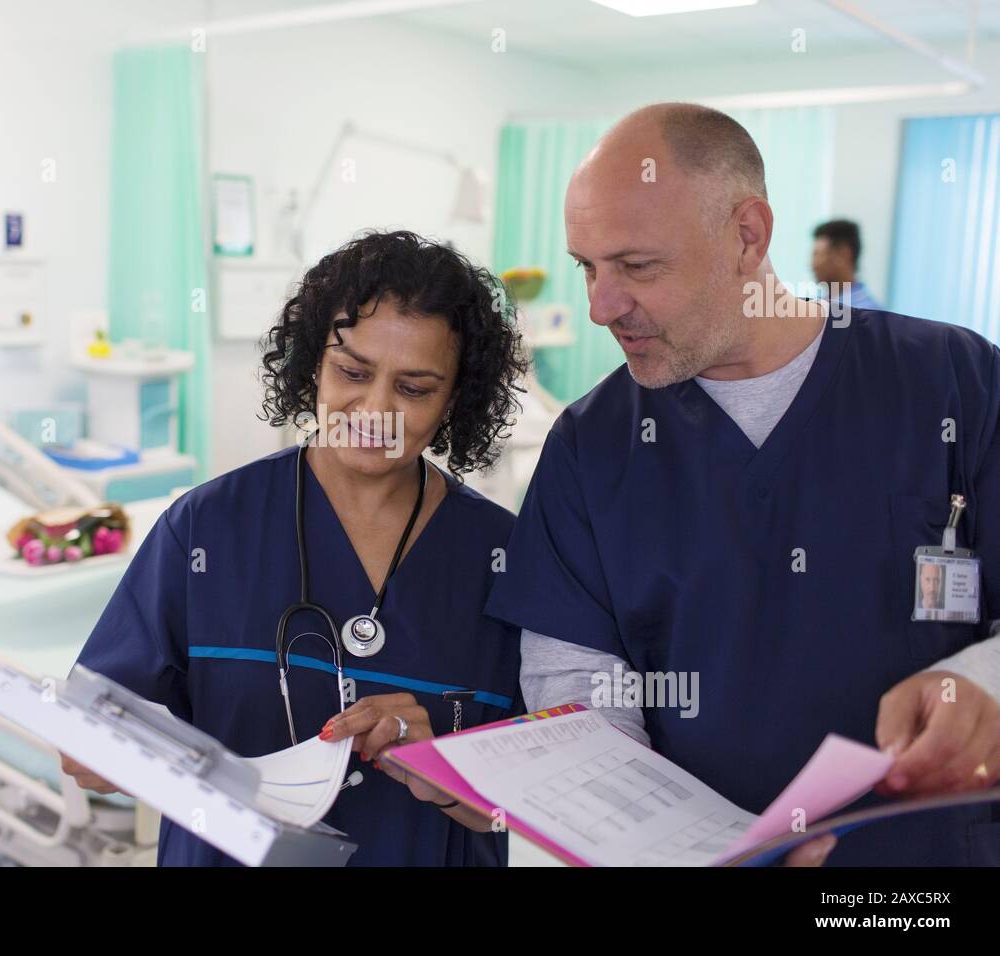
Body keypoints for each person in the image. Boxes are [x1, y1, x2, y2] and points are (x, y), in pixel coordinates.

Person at [486, 103, 1000, 866]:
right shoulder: (590, 448)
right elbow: (578, 683)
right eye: (587, 267)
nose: (602, 306)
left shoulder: (953, 383)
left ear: (747, 234)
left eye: (637, 266)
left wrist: (978, 679)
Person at [64, 230, 528, 865]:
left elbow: (534, 806)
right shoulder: (206, 530)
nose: (376, 409)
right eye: (353, 372)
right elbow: (87, 756)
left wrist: (441, 774)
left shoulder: (506, 560)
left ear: (457, 398)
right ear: (313, 362)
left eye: (414, 388)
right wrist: (106, 750)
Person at [812, 218, 883, 310]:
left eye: (819, 255)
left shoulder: (868, 314)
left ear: (843, 254)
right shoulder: (817, 304)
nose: (813, 265)